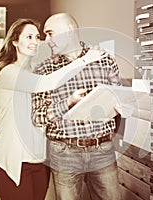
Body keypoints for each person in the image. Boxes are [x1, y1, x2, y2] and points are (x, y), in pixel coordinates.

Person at [0, 18, 105, 200]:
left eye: (37, 36)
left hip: (40, 161)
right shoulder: (7, 72)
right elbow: (45, 83)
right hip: (14, 162)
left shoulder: (35, 69)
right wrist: (84, 60)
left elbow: (49, 109)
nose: (35, 41)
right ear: (14, 42)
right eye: (28, 37)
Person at [32, 13, 122, 200]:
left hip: (103, 150)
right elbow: (37, 116)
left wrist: (123, 106)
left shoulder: (104, 60)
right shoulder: (44, 69)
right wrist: (68, 103)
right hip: (64, 153)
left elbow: (120, 99)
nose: (46, 40)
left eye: (50, 33)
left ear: (69, 31)